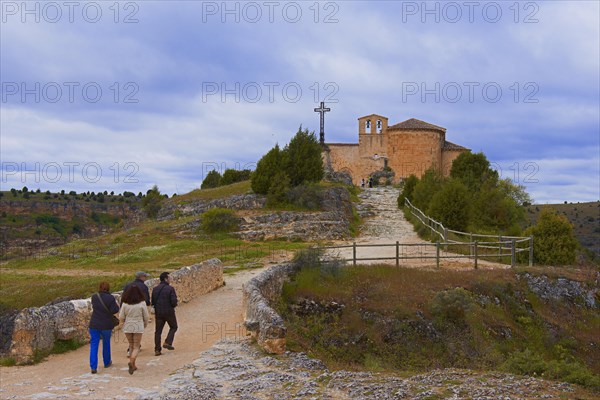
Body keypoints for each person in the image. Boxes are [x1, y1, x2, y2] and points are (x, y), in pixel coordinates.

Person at [89, 281, 119, 374]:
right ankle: (107, 362)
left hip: (94, 324)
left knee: (94, 345)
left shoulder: (94, 296)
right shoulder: (110, 298)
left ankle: (93, 366)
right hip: (106, 324)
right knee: (106, 343)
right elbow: (115, 310)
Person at [119, 285, 149, 375]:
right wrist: (145, 324)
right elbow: (146, 316)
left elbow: (121, 316)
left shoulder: (125, 304)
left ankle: (133, 364)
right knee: (136, 346)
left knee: (131, 345)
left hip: (128, 326)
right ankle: (132, 362)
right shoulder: (142, 303)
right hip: (138, 325)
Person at [123, 271, 150, 356]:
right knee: (136, 342)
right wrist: (145, 323)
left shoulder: (128, 285)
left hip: (128, 319)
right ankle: (132, 360)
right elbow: (147, 301)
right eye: (145, 276)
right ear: (141, 277)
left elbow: (123, 299)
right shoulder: (144, 287)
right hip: (138, 318)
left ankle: (129, 350)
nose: (145, 278)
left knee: (131, 338)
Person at [152, 272, 178, 356]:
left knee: (158, 331)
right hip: (169, 312)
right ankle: (168, 342)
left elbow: (152, 301)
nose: (171, 279)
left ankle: (157, 349)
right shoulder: (170, 289)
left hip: (158, 312)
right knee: (174, 327)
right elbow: (173, 302)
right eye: (169, 277)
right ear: (166, 279)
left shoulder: (155, 289)